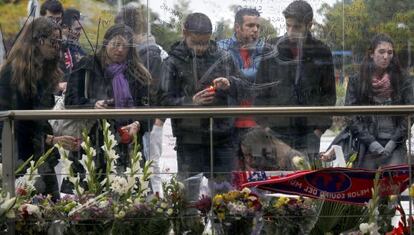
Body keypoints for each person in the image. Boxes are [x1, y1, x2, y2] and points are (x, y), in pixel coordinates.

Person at [0, 17, 79, 200]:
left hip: (39, 156)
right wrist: (51, 139)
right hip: (19, 157)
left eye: (59, 42)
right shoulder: (12, 74)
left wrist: (50, 140)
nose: (57, 46)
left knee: (49, 211)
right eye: (54, 41)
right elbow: (16, 123)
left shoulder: (41, 72)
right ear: (38, 41)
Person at [65, 24, 152, 189]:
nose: (120, 50)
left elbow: (148, 109)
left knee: (128, 196)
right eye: (116, 44)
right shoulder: (88, 65)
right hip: (92, 141)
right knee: (91, 195)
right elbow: (70, 101)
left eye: (125, 46)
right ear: (106, 42)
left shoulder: (136, 72)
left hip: (127, 144)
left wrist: (137, 124)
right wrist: (92, 105)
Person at [160, 13, 242, 181]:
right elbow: (163, 101)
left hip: (223, 136)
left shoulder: (224, 57)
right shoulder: (172, 62)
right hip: (189, 138)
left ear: (210, 36)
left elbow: (245, 88)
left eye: (204, 43)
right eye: (196, 43)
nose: (200, 48)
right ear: (184, 33)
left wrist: (230, 83)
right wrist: (191, 102)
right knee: (189, 195)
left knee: (225, 195)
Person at [255, 0, 336, 166]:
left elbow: (328, 94)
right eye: (288, 26)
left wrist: (319, 130)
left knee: (307, 184)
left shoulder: (321, 51)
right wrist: (266, 127)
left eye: (296, 27)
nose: (291, 32)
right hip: (276, 130)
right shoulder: (271, 48)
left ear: (309, 25)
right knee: (276, 183)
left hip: (309, 132)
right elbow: (259, 89)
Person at [345, 34, 413, 169]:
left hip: (395, 144)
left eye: (390, 52)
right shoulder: (357, 80)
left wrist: (393, 142)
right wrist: (371, 143)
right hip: (367, 145)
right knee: (367, 186)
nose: (386, 56)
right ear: (371, 54)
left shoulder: (403, 79)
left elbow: (409, 114)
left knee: (393, 185)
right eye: (381, 52)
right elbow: (350, 115)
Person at [217, 8, 266, 153]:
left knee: (255, 172)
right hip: (229, 122)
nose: (255, 30)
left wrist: (232, 79)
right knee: (231, 172)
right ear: (237, 27)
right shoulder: (221, 48)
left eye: (258, 26)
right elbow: (221, 77)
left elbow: (260, 76)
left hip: (257, 122)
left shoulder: (263, 49)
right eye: (250, 26)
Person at [239, 127, 309, 171]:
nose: (248, 160)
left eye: (251, 155)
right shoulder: (264, 165)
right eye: (245, 156)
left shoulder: (295, 158)